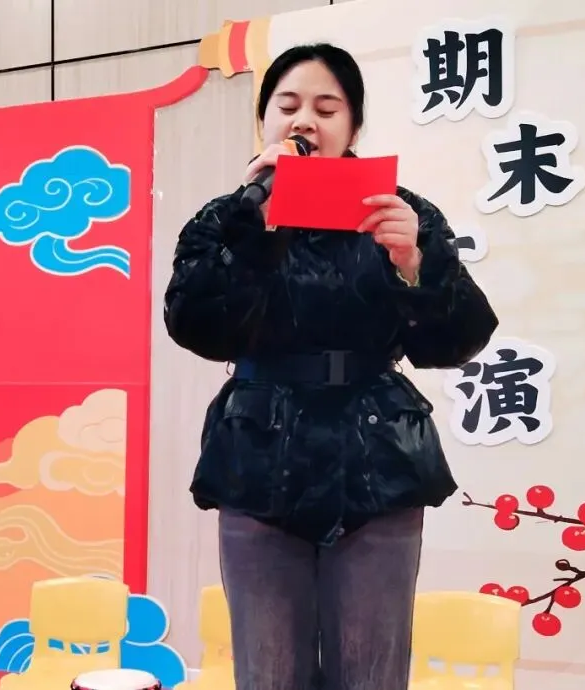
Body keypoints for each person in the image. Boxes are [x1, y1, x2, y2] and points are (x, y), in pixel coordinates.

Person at [163, 43, 499, 690]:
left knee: (371, 672)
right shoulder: (229, 216)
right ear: (264, 120)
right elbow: (194, 325)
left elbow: (458, 340)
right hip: (259, 457)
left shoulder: (400, 212)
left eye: (326, 107)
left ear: (353, 125)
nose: (304, 121)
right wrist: (252, 232)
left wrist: (415, 266)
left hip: (378, 459)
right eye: (287, 105)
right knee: (269, 673)